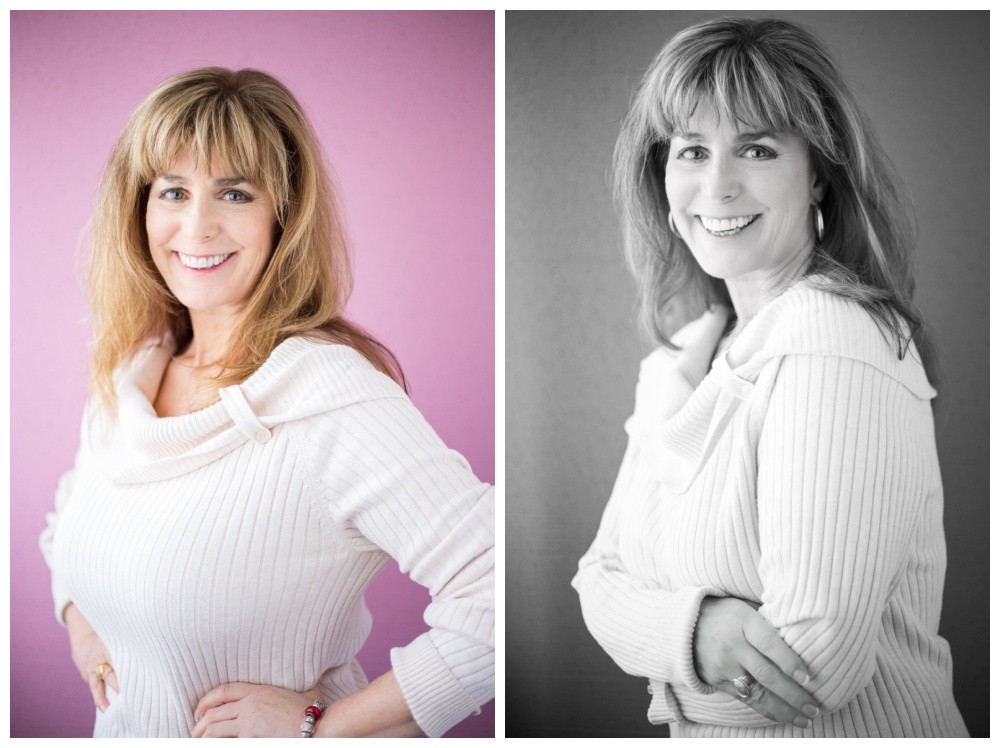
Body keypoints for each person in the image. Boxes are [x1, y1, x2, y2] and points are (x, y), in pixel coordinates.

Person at [38, 67, 494, 738]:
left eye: (234, 192)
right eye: (173, 190)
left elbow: (500, 587)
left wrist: (325, 724)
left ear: (283, 214)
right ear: (138, 209)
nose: (197, 226)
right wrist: (79, 617)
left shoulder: (326, 395)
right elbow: (67, 523)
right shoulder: (130, 373)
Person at [571, 17, 968, 738]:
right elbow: (595, 580)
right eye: (692, 150)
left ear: (817, 172)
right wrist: (696, 635)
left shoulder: (833, 341)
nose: (716, 185)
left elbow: (815, 671)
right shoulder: (684, 359)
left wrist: (659, 651)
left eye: (756, 148)